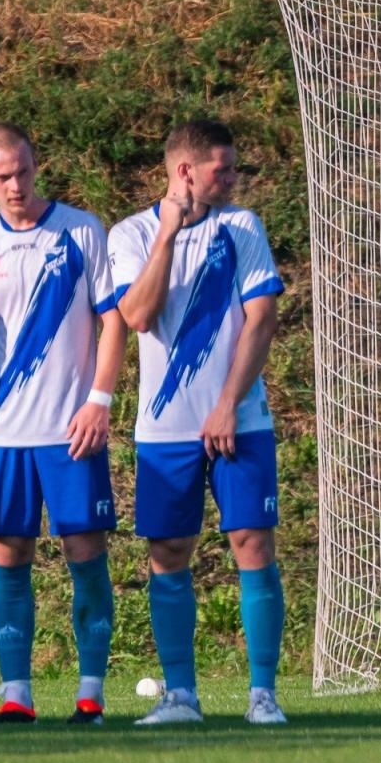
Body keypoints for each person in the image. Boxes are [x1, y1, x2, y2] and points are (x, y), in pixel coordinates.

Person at [109, 118, 288, 726]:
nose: (233, 178)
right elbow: (135, 315)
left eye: (234, 167)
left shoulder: (242, 227)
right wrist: (166, 236)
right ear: (185, 171)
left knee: (252, 543)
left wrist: (227, 404)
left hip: (240, 420)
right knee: (169, 551)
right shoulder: (131, 234)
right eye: (222, 168)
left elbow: (261, 319)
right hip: (164, 430)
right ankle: (180, 696)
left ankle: (263, 696)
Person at [0, 123, 126, 726]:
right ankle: (15, 694)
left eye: (23, 171)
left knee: (84, 551)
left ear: (35, 162)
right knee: (9, 555)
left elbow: (114, 322)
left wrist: (99, 399)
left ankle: (90, 694)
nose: (16, 185)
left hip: (71, 430)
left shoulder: (81, 230)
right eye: (2, 177)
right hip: (2, 433)